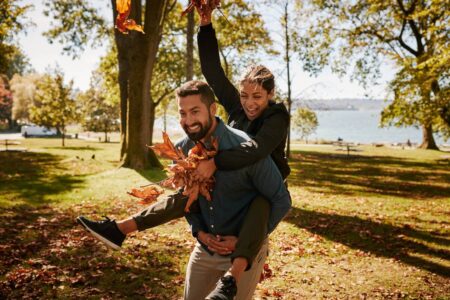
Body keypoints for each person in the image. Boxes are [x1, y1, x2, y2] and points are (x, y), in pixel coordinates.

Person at [175, 81, 290, 299]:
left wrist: (246, 241)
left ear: (212, 109)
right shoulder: (183, 148)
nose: (188, 120)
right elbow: (188, 200)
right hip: (205, 249)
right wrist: (199, 232)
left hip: (244, 252)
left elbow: (281, 200)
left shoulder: (246, 147)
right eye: (182, 112)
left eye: (195, 111)